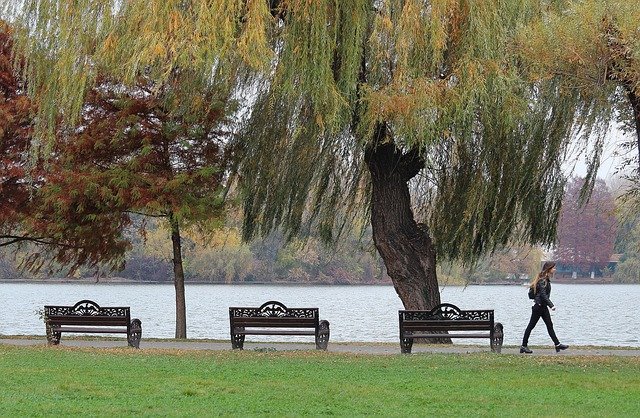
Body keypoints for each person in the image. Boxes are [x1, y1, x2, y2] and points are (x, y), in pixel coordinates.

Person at [520, 261, 569, 354]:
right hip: (538, 307)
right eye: (554, 268)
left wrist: (548, 305)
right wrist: (551, 305)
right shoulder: (543, 280)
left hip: (542, 307)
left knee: (549, 325)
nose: (555, 269)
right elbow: (543, 295)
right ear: (549, 269)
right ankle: (523, 346)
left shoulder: (545, 278)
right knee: (531, 326)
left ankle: (557, 344)